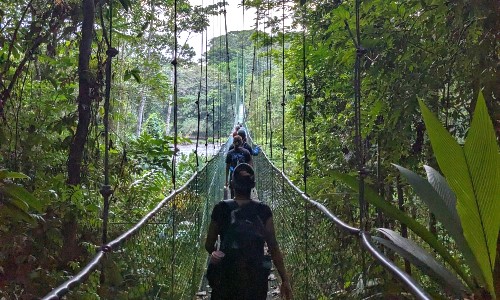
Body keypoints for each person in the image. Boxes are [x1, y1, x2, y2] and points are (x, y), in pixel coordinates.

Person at [205, 164, 293, 300]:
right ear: (253, 185)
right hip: (255, 275)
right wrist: (285, 280)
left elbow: (208, 245)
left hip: (226, 274)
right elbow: (273, 246)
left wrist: (216, 252)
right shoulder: (263, 210)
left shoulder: (220, 208)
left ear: (232, 185)